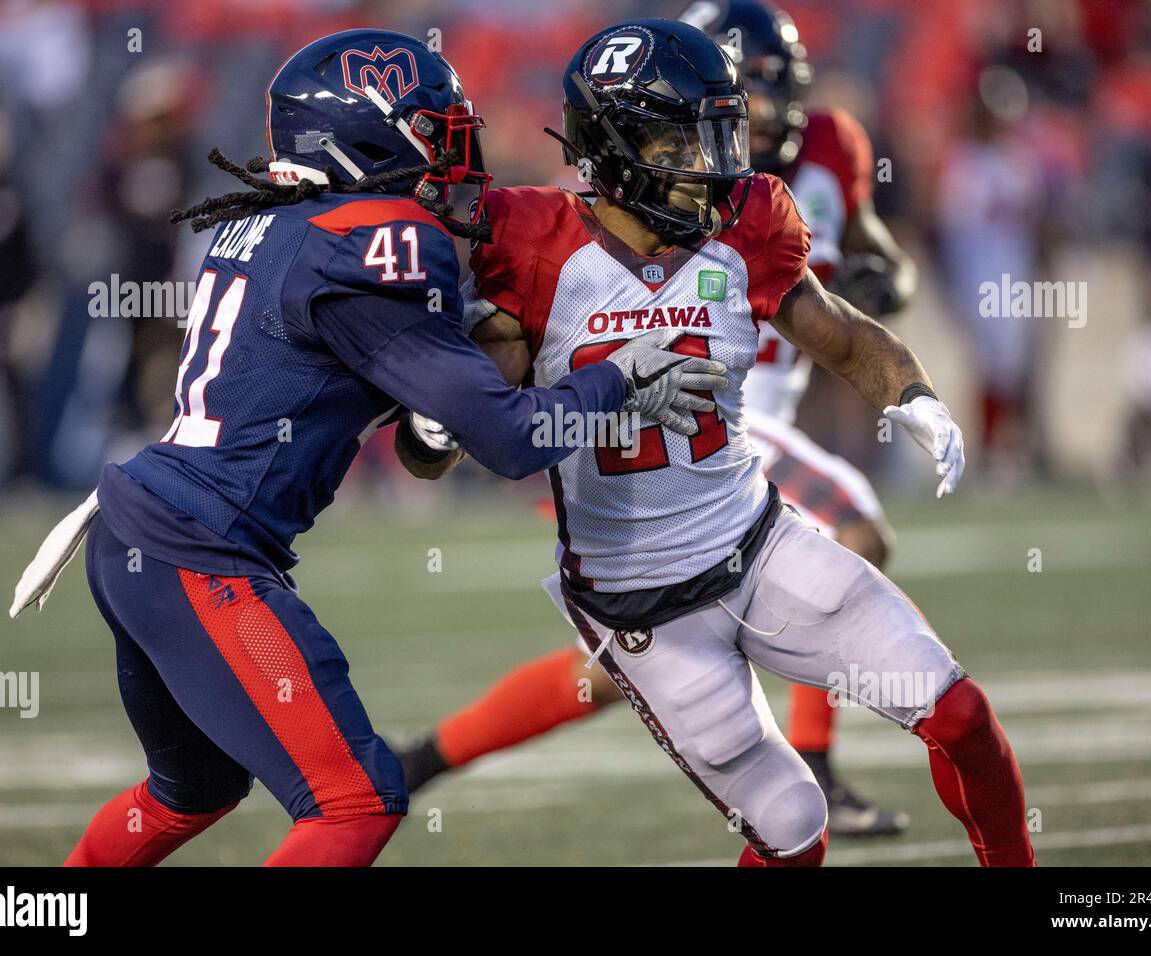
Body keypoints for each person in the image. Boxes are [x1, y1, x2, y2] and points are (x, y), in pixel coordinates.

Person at [8, 28, 721, 867]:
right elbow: (513, 439)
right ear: (367, 135)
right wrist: (621, 376)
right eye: (439, 137)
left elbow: (343, 379)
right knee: (356, 802)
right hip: (200, 552)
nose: (459, 163)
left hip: (140, 526)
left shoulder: (270, 222)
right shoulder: (376, 239)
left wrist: (437, 386)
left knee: (191, 791)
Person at [398, 18, 1033, 867]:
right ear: (617, 148)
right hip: (642, 609)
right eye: (682, 141)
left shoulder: (746, 223)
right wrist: (438, 408)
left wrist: (910, 394)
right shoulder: (533, 246)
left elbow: (842, 334)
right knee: (792, 831)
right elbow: (447, 443)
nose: (714, 164)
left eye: (717, 136)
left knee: (960, 714)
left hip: (759, 542)